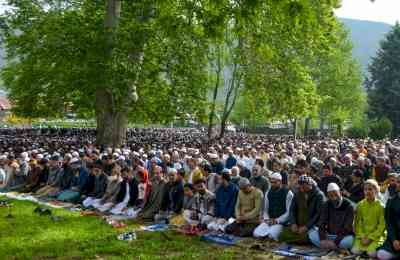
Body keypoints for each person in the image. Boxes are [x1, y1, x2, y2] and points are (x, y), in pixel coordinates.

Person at [279, 175, 325, 245]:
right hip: (298, 225)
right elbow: (292, 210)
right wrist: (293, 223)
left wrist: (307, 227)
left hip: (312, 226)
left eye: (303, 186)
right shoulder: (298, 193)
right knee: (282, 235)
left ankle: (302, 239)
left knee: (308, 236)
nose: (301, 188)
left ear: (310, 185)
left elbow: (319, 214)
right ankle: (299, 239)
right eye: (300, 186)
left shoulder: (319, 195)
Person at [309, 183, 354, 250]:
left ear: (340, 193)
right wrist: (322, 239)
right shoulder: (326, 204)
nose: (334, 198)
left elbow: (347, 227)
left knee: (350, 241)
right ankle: (331, 246)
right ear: (328, 196)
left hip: (343, 237)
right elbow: (322, 222)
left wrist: (335, 242)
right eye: (331, 196)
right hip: (329, 235)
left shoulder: (349, 206)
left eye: (336, 194)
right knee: (311, 234)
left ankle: (331, 245)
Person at [253, 172, 293, 240]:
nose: (272, 184)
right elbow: (266, 209)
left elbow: (289, 212)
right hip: (270, 220)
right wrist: (267, 219)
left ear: (280, 182)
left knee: (271, 235)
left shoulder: (288, 193)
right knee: (256, 233)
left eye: (274, 182)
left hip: (281, 222)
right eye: (271, 182)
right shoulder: (268, 193)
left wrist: (277, 220)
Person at [352, 179, 385, 258]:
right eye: (365, 189)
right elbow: (357, 223)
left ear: (376, 190)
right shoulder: (360, 205)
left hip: (376, 236)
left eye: (370, 189)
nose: (367, 192)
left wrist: (370, 238)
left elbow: (382, 226)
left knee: (371, 254)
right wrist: (362, 236)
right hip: (362, 235)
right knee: (354, 251)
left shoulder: (381, 207)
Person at [377, 175, 400, 260]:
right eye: (398, 182)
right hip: (395, 238)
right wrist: (394, 240)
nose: (399, 184)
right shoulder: (391, 202)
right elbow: (389, 223)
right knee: (381, 254)